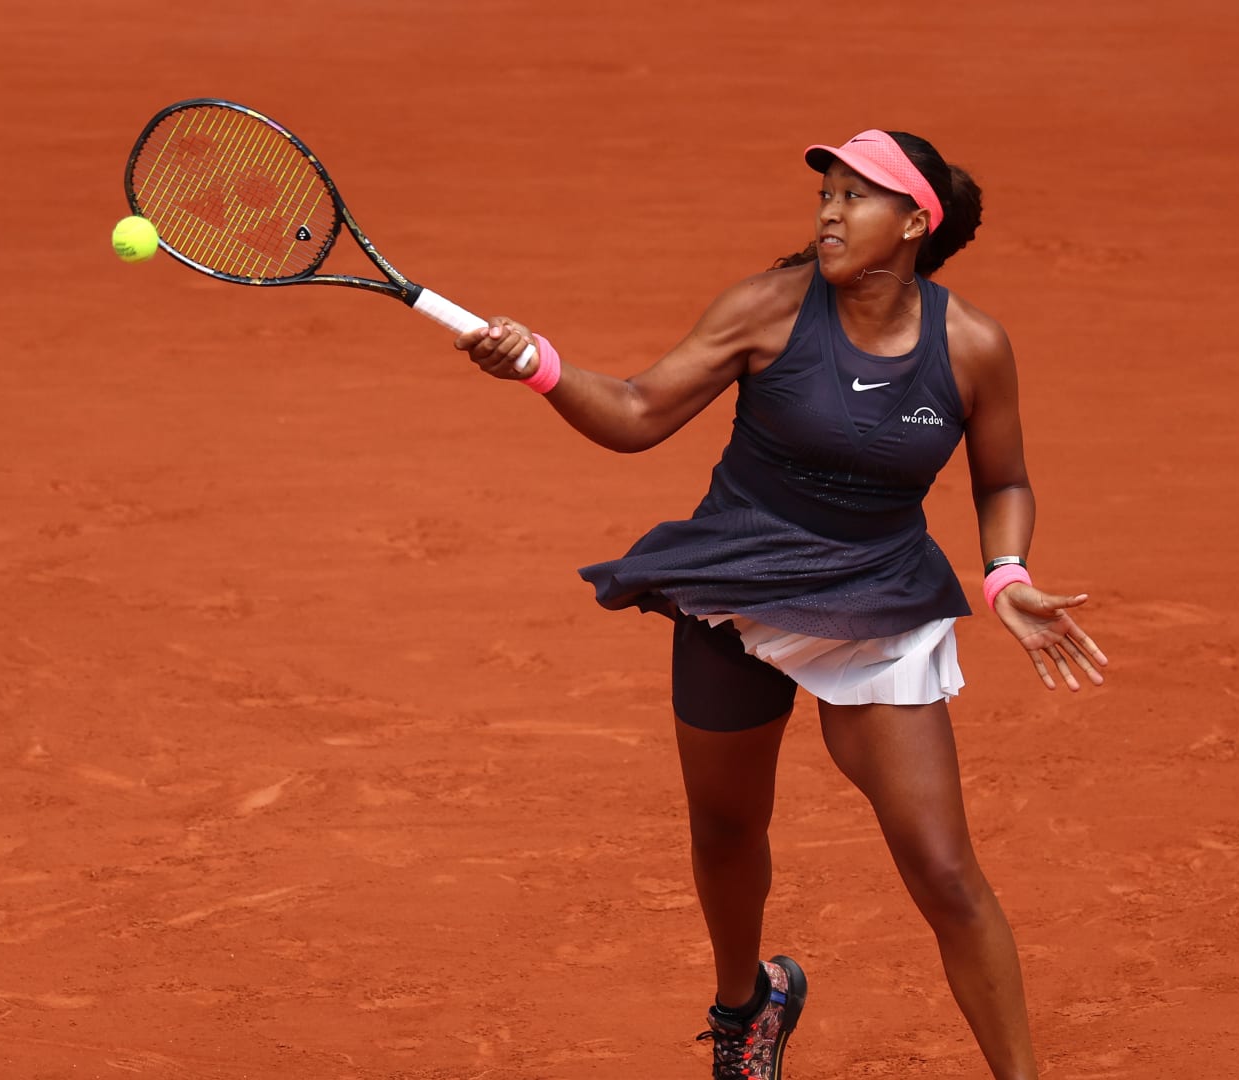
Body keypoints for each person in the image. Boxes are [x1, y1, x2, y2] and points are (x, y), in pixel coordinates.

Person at [454, 129, 1108, 1080]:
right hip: (739, 582)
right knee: (725, 828)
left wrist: (1004, 571)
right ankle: (746, 1006)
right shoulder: (765, 309)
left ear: (915, 221)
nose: (831, 213)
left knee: (943, 867)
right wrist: (540, 366)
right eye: (826, 194)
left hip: (878, 597)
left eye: (857, 196)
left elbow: (1002, 479)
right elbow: (637, 412)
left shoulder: (970, 345)